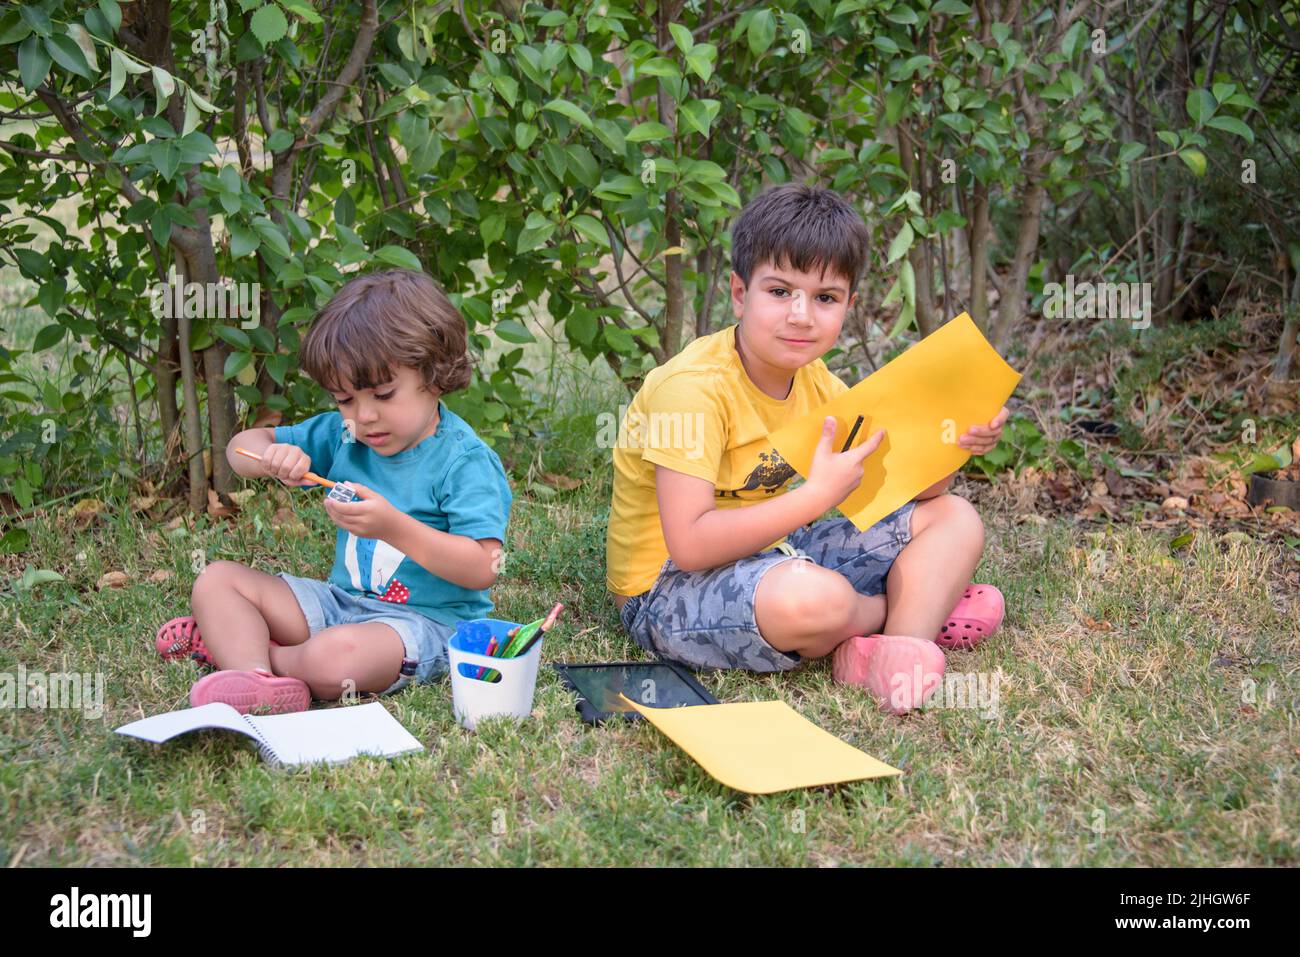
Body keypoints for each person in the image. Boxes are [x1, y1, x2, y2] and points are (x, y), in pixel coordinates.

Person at [606, 184, 1008, 713]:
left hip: (773, 552)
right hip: (664, 590)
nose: (801, 315)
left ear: (849, 304)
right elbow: (690, 545)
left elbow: (907, 489)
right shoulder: (693, 390)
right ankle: (904, 608)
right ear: (738, 293)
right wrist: (816, 498)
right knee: (816, 599)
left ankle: (900, 648)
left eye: (825, 298)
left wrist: (955, 444)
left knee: (954, 517)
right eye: (779, 291)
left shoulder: (815, 381)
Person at [154, 270, 512, 714]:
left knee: (334, 658)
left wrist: (393, 528)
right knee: (216, 581)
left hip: (422, 625)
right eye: (344, 399)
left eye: (383, 394)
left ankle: (249, 652)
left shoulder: (463, 462)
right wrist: (271, 459)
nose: (364, 416)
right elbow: (238, 449)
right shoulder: (343, 435)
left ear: (434, 374)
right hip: (338, 603)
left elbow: (483, 567)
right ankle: (253, 677)